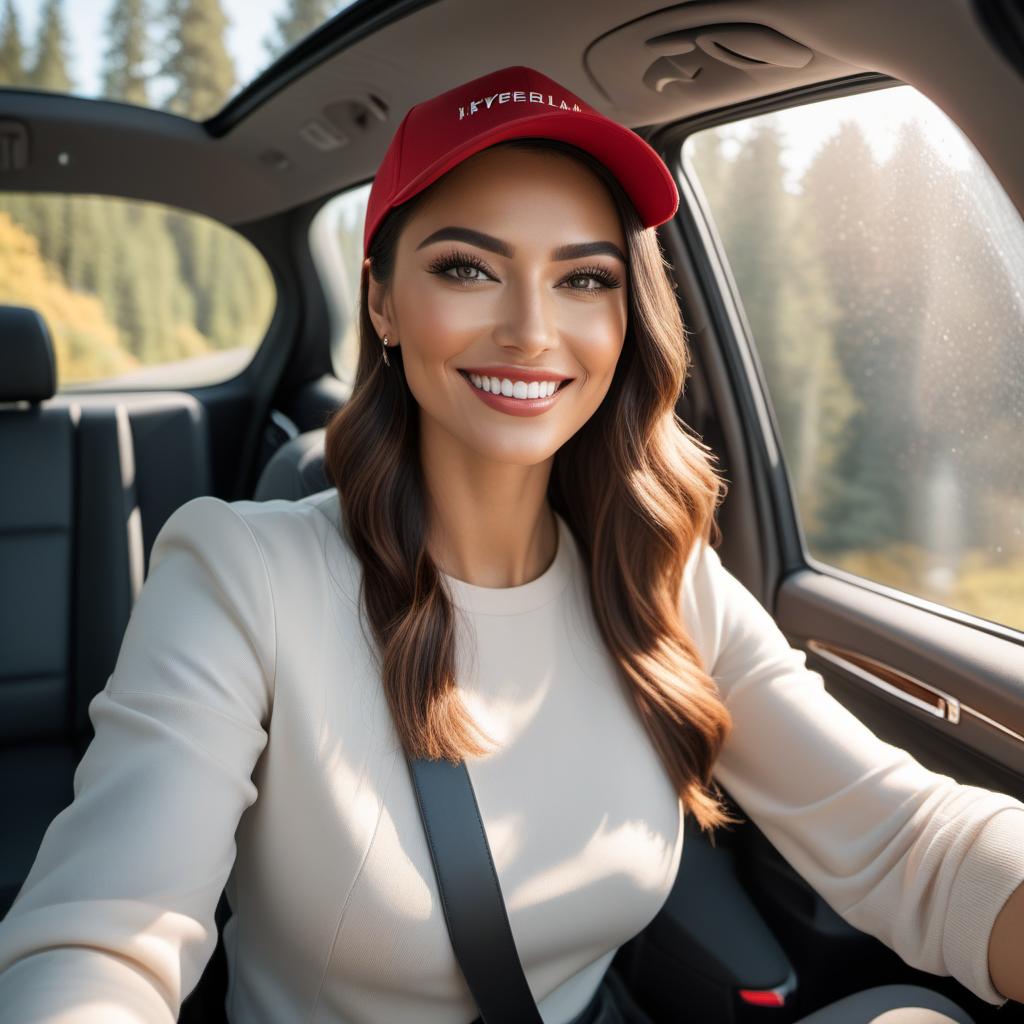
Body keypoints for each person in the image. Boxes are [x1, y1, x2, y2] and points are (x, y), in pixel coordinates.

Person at [0, 64, 1021, 1024]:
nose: (532, 328)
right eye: (466, 267)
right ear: (382, 301)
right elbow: (102, 942)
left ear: (628, 318)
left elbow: (905, 840)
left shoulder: (663, 582)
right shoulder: (239, 573)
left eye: (583, 280)